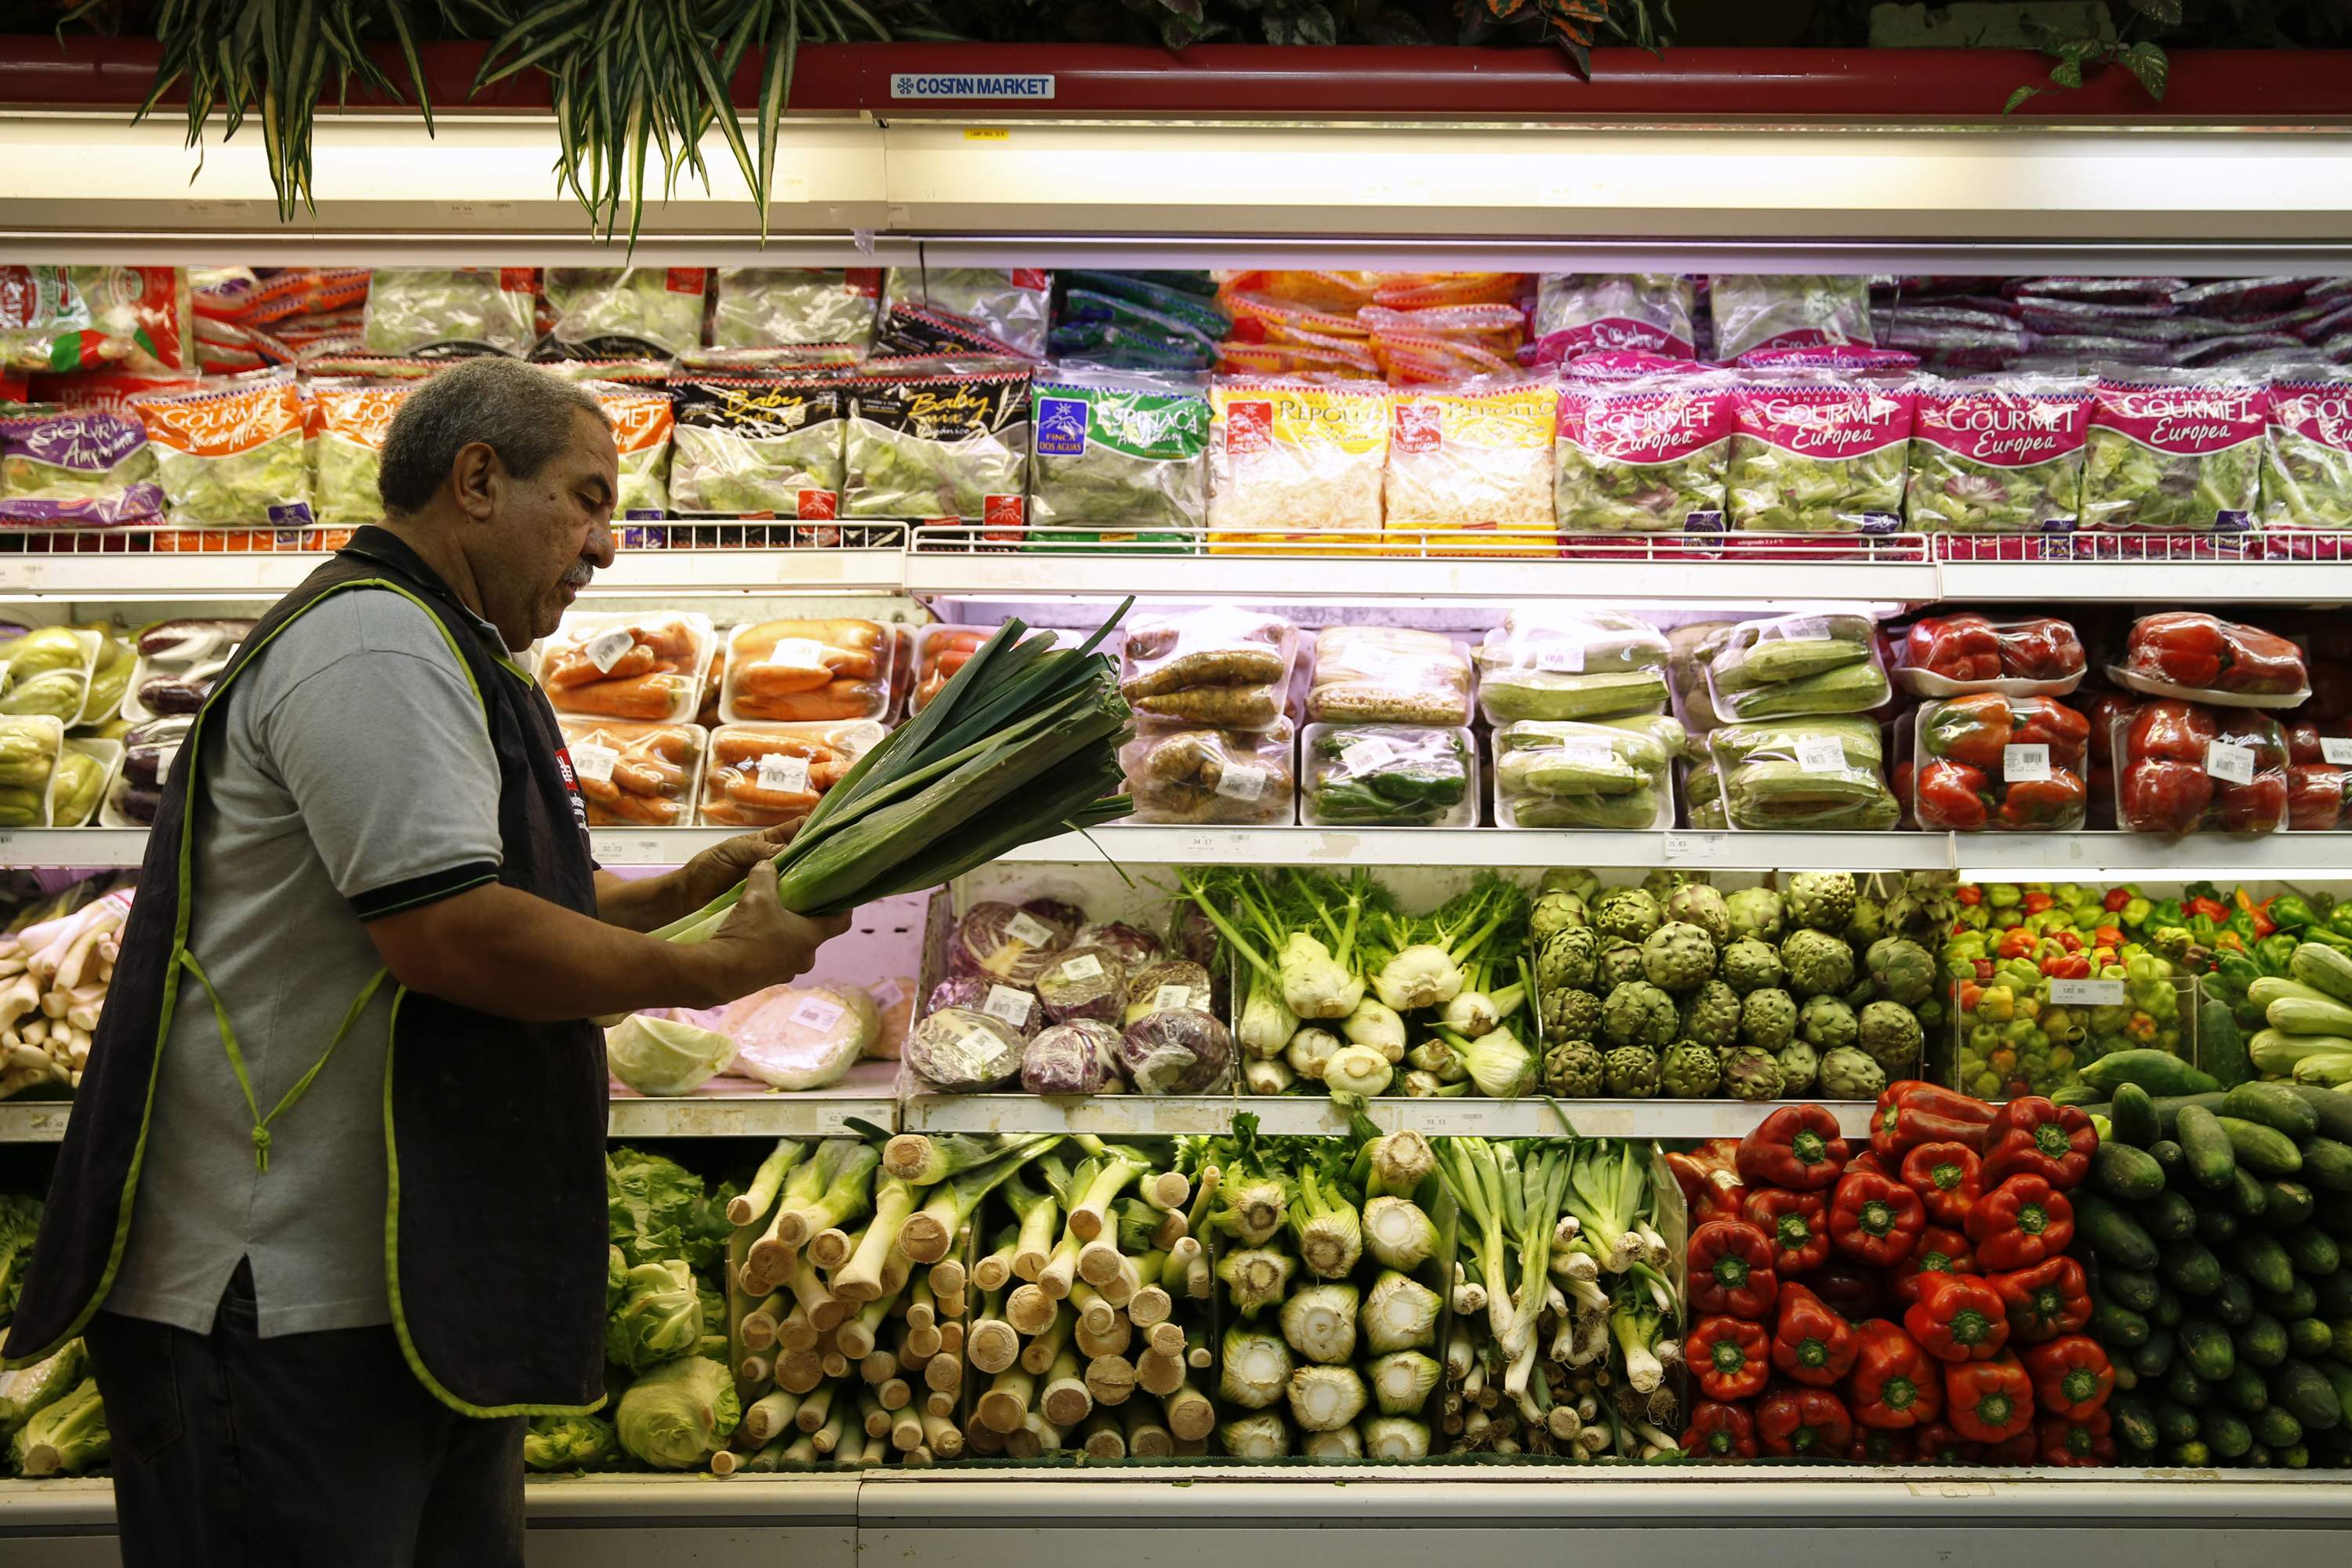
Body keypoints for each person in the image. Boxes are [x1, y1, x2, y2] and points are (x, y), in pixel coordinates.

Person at [1, 358, 847, 1566]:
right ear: (477, 479)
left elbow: (498, 889)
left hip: (399, 1290)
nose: (607, 545)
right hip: (279, 1302)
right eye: (590, 499)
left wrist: (673, 896)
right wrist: (714, 971)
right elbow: (447, 932)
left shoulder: (451, 645)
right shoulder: (376, 649)